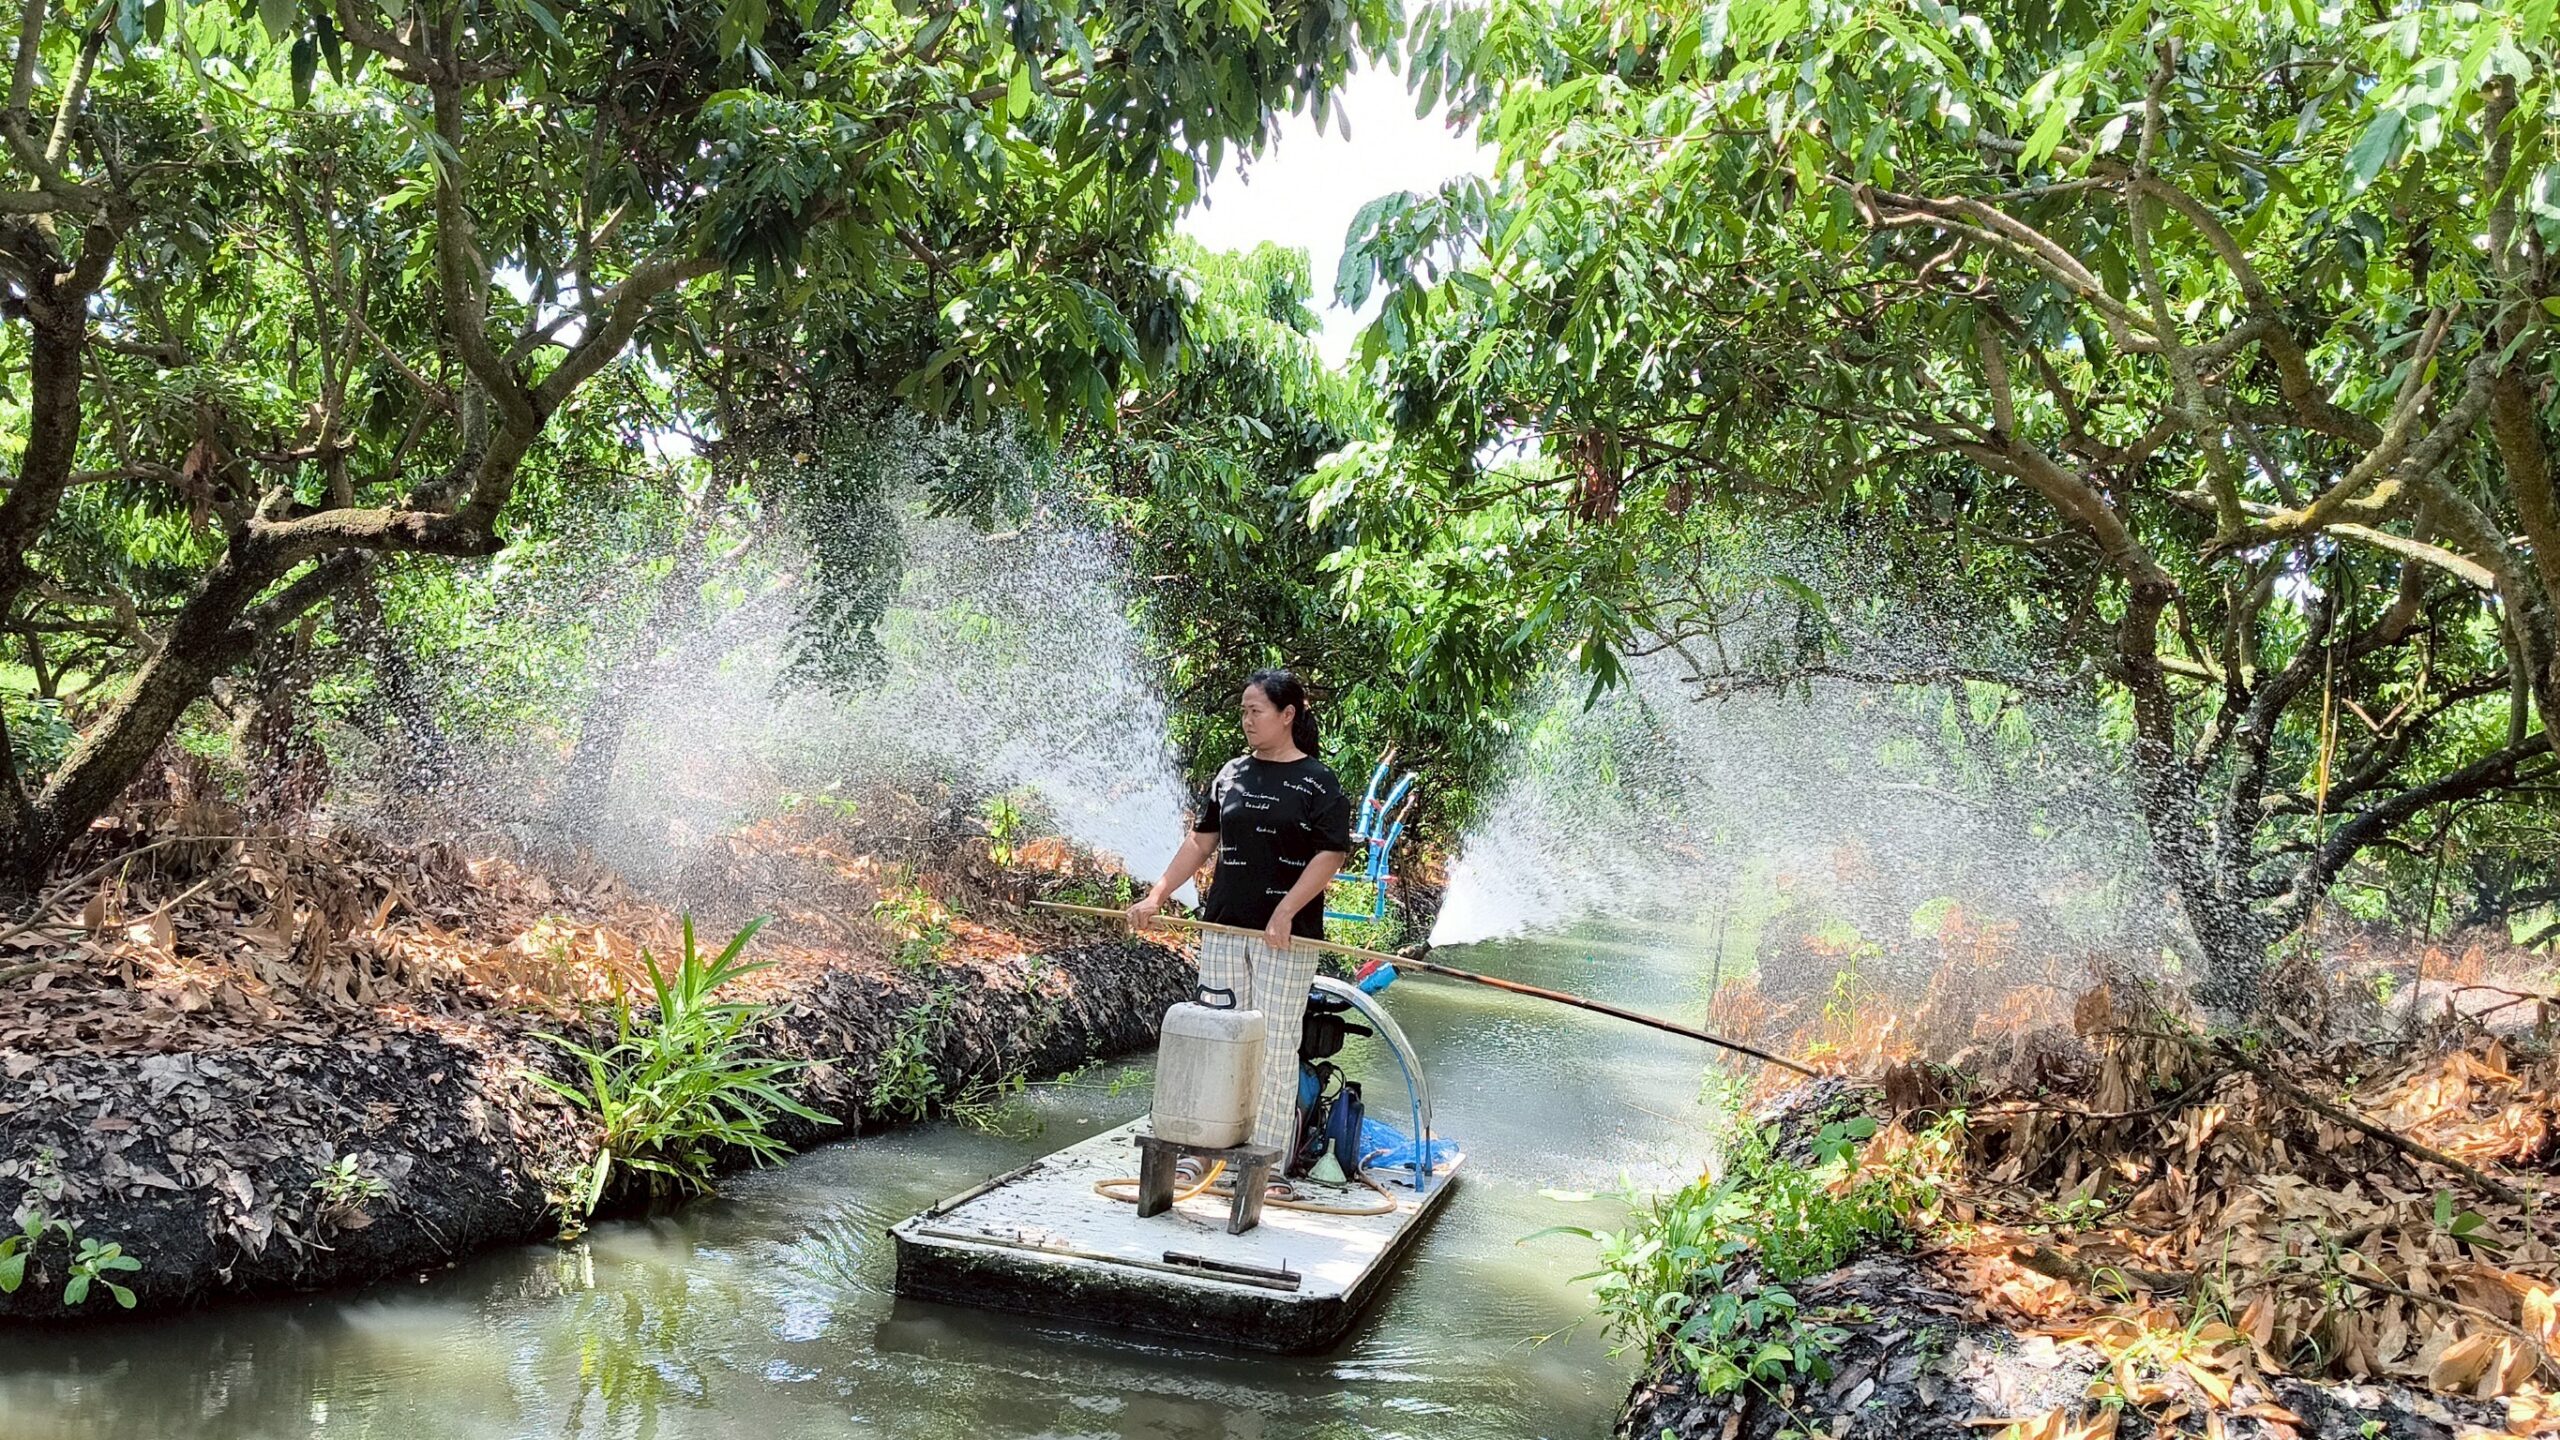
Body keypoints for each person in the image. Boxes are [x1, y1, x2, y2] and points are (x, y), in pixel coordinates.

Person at [1128, 669, 1351, 1155]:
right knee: (1216, 1033)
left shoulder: (1318, 782)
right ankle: (1205, 1151)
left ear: (1287, 715)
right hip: (1224, 924)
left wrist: (1287, 911)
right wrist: (1157, 895)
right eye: (1244, 712)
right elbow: (1201, 841)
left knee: (1272, 1047)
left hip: (1286, 938)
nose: (1247, 720)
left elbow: (1331, 854)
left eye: (1257, 711)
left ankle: (1266, 1161)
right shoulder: (1231, 773)